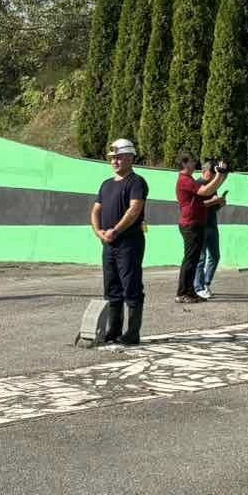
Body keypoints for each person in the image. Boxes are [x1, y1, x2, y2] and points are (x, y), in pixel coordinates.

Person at [91, 138, 149, 347]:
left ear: (130, 157)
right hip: (108, 243)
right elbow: (95, 210)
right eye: (112, 158)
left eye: (119, 157)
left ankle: (132, 333)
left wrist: (115, 230)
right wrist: (99, 232)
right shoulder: (106, 184)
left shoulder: (136, 182)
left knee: (131, 287)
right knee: (112, 288)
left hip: (129, 243)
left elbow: (134, 210)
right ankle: (113, 330)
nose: (114, 161)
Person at [173, 152, 224, 303]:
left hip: (195, 223)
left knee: (193, 260)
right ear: (184, 163)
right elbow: (206, 191)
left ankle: (190, 292)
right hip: (190, 224)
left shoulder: (188, 179)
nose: (194, 163)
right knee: (190, 260)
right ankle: (183, 293)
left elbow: (207, 192)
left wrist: (222, 175)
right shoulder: (185, 180)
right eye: (191, 161)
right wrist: (219, 175)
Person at [192, 159, 229, 301]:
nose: (215, 176)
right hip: (199, 226)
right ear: (206, 171)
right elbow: (196, 205)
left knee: (215, 256)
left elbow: (213, 207)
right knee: (200, 258)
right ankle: (198, 288)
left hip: (212, 225)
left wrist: (220, 203)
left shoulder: (213, 185)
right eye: (214, 172)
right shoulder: (197, 184)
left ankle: (206, 283)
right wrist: (214, 201)